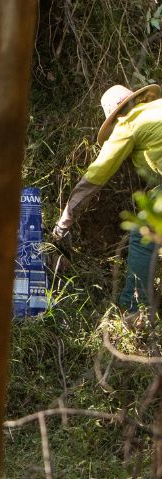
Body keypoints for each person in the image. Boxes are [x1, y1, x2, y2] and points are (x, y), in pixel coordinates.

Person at [53, 83, 162, 312]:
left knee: (142, 233)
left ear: (116, 116)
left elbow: (93, 178)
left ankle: (133, 310)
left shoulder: (128, 123)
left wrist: (63, 225)